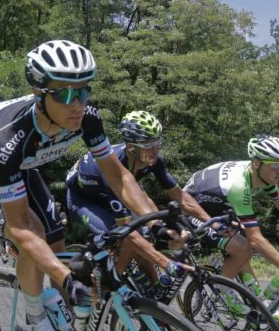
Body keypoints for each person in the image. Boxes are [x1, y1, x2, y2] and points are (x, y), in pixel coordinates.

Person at [0, 40, 163, 331]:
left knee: (57, 243)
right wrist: (66, 278)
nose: (77, 104)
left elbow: (119, 176)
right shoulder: (8, 139)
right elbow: (20, 227)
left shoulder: (87, 117)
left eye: (84, 92)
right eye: (64, 94)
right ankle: (35, 318)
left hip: (23, 165)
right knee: (32, 233)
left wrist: (153, 220)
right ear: (39, 93)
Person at [65, 110, 251, 293]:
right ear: (131, 147)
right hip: (84, 200)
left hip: (116, 193)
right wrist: (165, 263)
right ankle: (111, 289)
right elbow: (128, 232)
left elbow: (180, 197)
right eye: (148, 145)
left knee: (148, 235)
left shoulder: (154, 161)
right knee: (126, 237)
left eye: (158, 143)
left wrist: (214, 224)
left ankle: (153, 295)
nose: (155, 150)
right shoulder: (113, 168)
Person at [184, 135, 279, 329]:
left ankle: (259, 306)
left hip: (216, 204)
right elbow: (256, 240)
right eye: (274, 165)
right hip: (192, 209)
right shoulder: (239, 187)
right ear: (257, 163)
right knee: (244, 246)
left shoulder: (263, 175)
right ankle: (222, 289)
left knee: (245, 244)